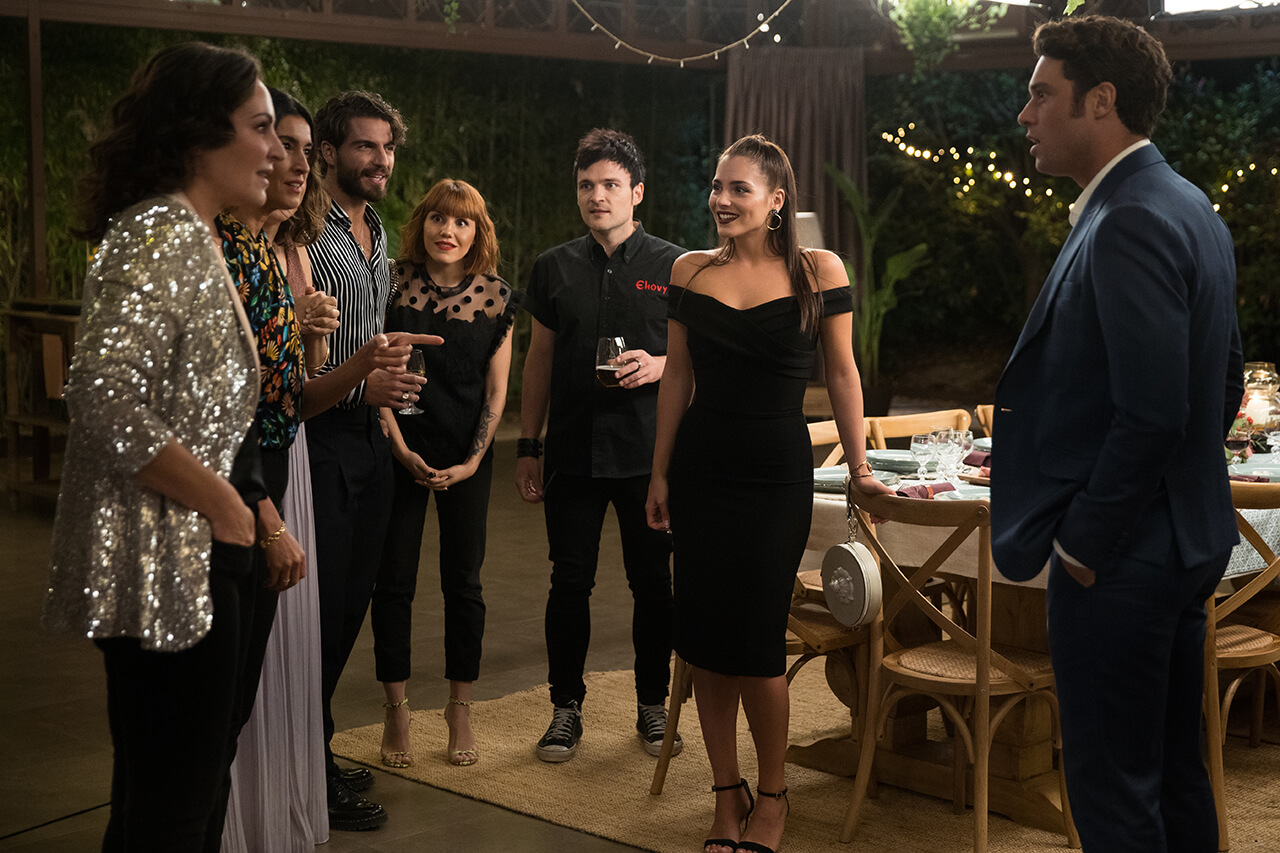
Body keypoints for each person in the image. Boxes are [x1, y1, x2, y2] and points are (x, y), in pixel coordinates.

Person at [991, 16, 1243, 853]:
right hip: (1179, 544)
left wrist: (1085, 542)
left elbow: (1156, 411)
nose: (1025, 114)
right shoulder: (1190, 204)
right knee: (1171, 776)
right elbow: (1225, 385)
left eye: (1041, 94)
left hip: (1121, 563)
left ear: (1100, 101)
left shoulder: (1128, 215)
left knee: (1114, 798)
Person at [43, 42, 276, 851]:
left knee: (176, 798)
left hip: (191, 551)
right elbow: (101, 394)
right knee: (173, 809)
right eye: (260, 127)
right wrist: (223, 503)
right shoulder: (159, 233)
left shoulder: (195, 232)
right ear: (198, 132)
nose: (277, 151)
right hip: (168, 561)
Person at [645, 134, 890, 853]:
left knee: (755, 645)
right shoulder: (688, 271)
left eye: (738, 188)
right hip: (702, 470)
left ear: (776, 200)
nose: (720, 200)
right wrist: (659, 472)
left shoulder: (819, 270)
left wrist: (860, 469)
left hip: (776, 474)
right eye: (716, 186)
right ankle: (729, 794)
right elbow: (677, 376)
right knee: (704, 641)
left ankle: (774, 795)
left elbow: (842, 373)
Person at [517, 128, 683, 763]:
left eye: (611, 184)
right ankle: (565, 709)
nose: (597, 196)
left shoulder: (676, 266)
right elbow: (538, 361)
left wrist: (660, 364)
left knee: (653, 584)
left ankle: (652, 705)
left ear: (637, 193)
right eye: (587, 185)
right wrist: (527, 445)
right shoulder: (553, 267)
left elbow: (699, 358)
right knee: (569, 583)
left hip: (650, 456)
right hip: (574, 453)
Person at [306, 89, 424, 830]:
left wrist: (389, 386)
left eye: (387, 147)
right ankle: (306, 768)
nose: (381, 159)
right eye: (365, 146)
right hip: (319, 436)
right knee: (317, 613)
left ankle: (313, 751)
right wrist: (361, 386)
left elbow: (367, 330)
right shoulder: (303, 230)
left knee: (352, 603)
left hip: (372, 439)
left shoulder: (376, 226)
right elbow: (298, 349)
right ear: (327, 151)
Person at [372, 179, 517, 768]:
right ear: (422, 224)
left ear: (478, 232)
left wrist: (474, 461)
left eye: (461, 222)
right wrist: (400, 447)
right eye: (437, 218)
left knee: (464, 584)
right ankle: (397, 711)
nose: (447, 231)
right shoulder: (391, 283)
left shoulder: (498, 297)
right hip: (398, 449)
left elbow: (496, 391)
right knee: (393, 583)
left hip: (465, 456)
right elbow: (374, 370)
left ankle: (460, 709)